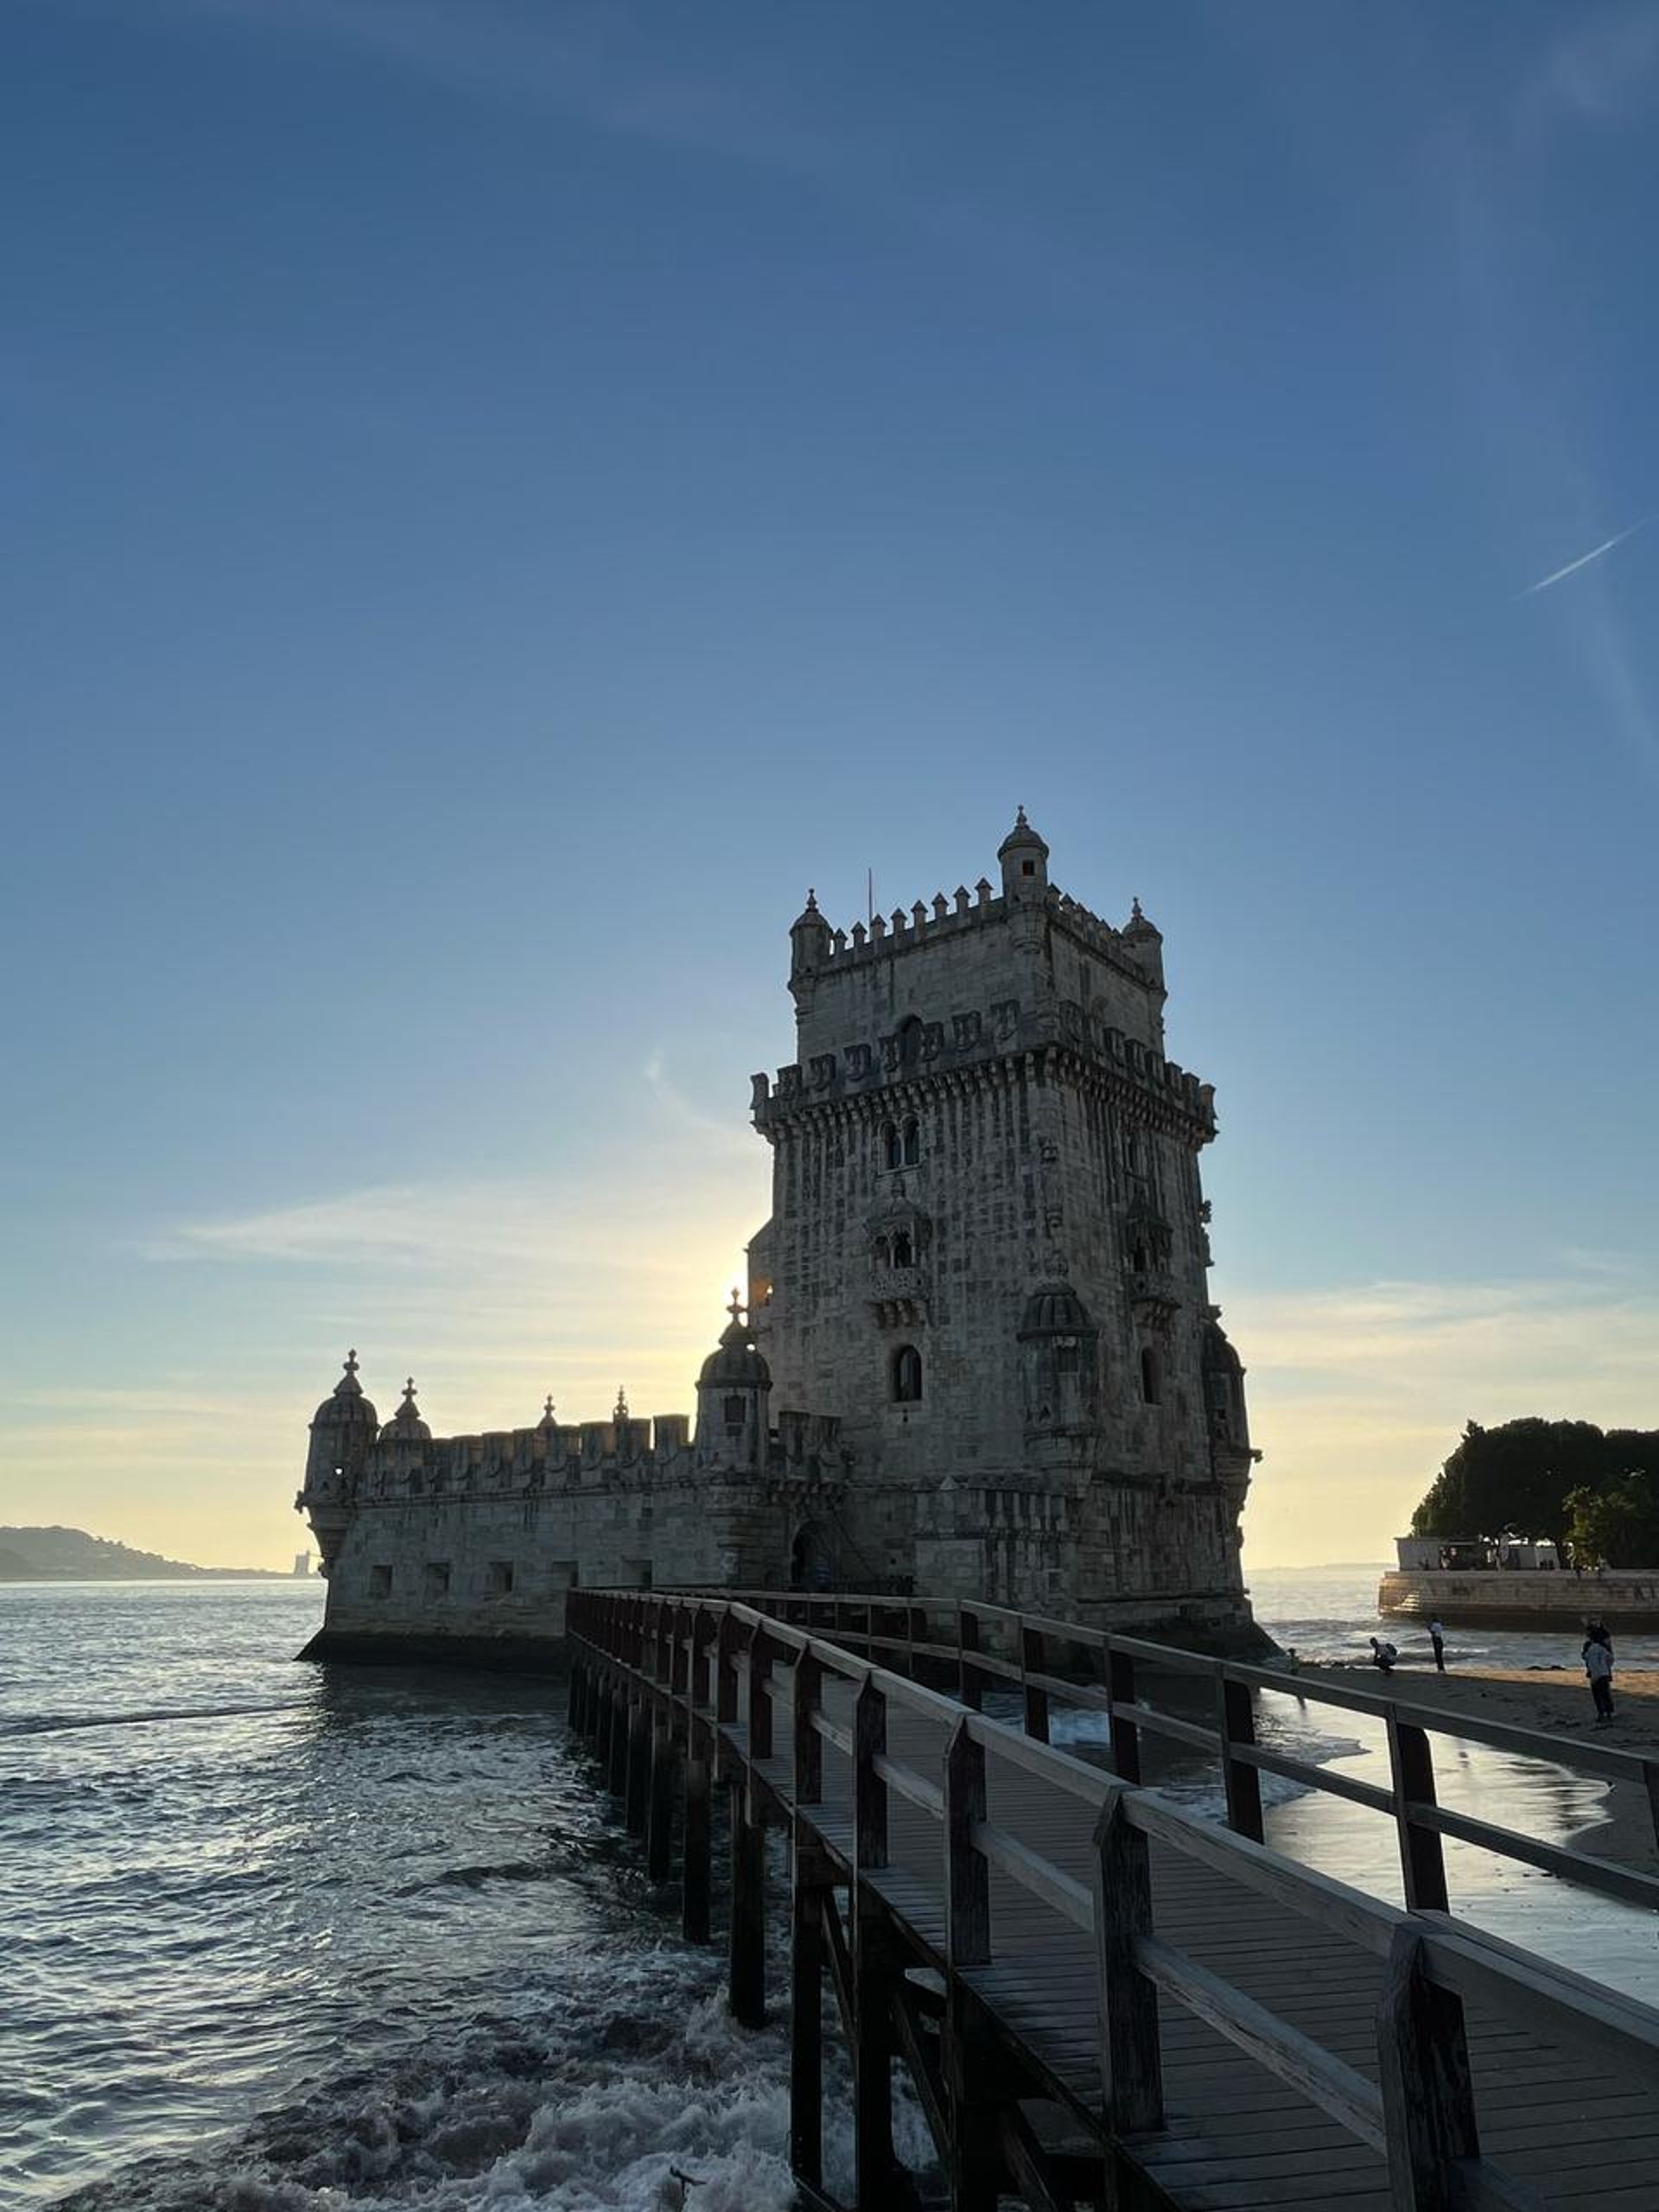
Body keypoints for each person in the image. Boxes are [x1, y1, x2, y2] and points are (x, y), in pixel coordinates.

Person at [1584, 1634, 1615, 1725]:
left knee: (1597, 1696)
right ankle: (1609, 1713)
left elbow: (1589, 1661)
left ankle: (1601, 1714)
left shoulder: (1591, 1649)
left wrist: (1593, 1676)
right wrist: (1606, 1667)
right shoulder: (1603, 1649)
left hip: (1596, 1675)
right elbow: (1611, 1659)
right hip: (1604, 1674)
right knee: (1606, 1695)